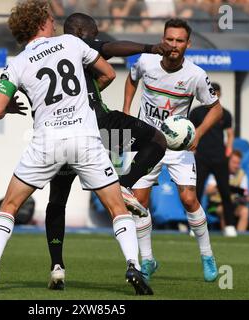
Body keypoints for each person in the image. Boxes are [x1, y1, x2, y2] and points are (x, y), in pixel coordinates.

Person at [0, 0, 153, 295]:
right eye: (50, 19)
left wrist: (13, 104)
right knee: (117, 208)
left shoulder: (17, 63)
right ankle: (133, 266)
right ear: (41, 23)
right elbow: (108, 74)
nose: (54, 23)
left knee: (10, 206)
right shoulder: (70, 43)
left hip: (47, 143)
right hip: (85, 139)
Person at [41, 12, 171, 290]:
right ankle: (124, 187)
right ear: (81, 33)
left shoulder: (47, 56)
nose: (98, 39)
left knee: (57, 202)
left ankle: (57, 267)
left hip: (62, 137)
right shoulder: (79, 45)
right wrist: (149, 48)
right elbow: (111, 49)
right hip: (100, 129)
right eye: (94, 34)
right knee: (157, 140)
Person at [123, 18, 223, 282]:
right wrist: (126, 111)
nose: (174, 45)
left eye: (180, 40)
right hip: (147, 142)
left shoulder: (196, 75)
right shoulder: (145, 61)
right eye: (170, 39)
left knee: (189, 199)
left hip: (178, 145)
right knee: (138, 202)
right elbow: (132, 80)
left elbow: (216, 108)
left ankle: (207, 255)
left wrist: (198, 133)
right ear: (163, 38)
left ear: (187, 44)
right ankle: (148, 261)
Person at [189, 82, 237, 237]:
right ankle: (195, 226)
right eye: (212, 92)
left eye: (217, 92)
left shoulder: (225, 113)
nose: (214, 95)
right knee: (197, 192)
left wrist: (228, 152)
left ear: (220, 94)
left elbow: (230, 134)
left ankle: (229, 225)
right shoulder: (196, 112)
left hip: (219, 157)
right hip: (201, 157)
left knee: (225, 191)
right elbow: (190, 132)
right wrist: (192, 151)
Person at [205, 150, 249, 232]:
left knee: (245, 211)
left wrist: (241, 196)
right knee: (224, 209)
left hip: (234, 204)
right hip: (216, 205)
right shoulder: (218, 172)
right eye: (234, 162)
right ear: (228, 161)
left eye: (238, 163)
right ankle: (227, 234)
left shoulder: (242, 174)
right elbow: (208, 191)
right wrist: (222, 187)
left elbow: (246, 195)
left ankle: (240, 237)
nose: (236, 166)